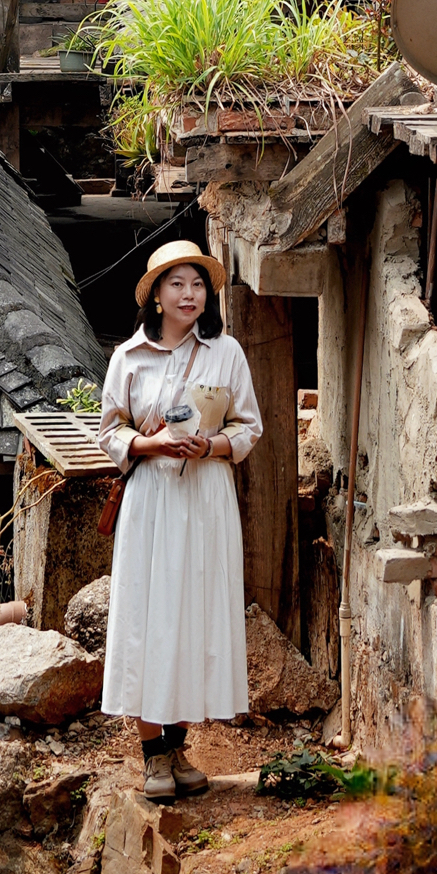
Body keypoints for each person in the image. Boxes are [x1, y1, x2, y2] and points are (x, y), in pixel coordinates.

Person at [97, 240, 262, 800]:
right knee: (150, 613)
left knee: (195, 612)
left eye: (197, 284)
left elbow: (249, 428)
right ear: (157, 296)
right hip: (151, 502)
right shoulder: (128, 358)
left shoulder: (226, 353)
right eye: (177, 284)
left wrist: (211, 445)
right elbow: (109, 434)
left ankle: (178, 746)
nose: (189, 294)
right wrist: (153, 444)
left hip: (205, 499)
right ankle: (151, 756)